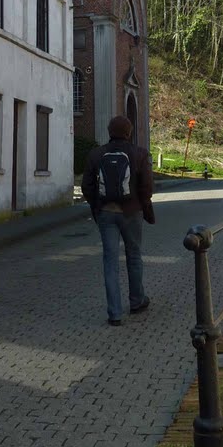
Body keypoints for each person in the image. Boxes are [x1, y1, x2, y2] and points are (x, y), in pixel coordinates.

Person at [81, 115, 155, 326]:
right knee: (134, 256)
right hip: (132, 212)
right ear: (129, 132)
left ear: (109, 131)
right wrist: (142, 204)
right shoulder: (140, 153)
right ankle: (136, 301)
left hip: (106, 212)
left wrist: (97, 206)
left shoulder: (96, 154)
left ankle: (114, 313)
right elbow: (147, 186)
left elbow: (87, 186)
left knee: (110, 262)